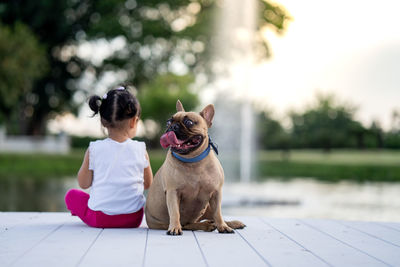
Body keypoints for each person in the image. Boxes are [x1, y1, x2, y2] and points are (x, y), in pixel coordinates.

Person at [65, 86, 153, 228]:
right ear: (133, 121)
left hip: (100, 219)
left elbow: (83, 184)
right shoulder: (140, 149)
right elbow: (148, 184)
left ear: (102, 121)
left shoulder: (93, 149)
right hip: (133, 218)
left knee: (71, 196)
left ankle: (85, 211)